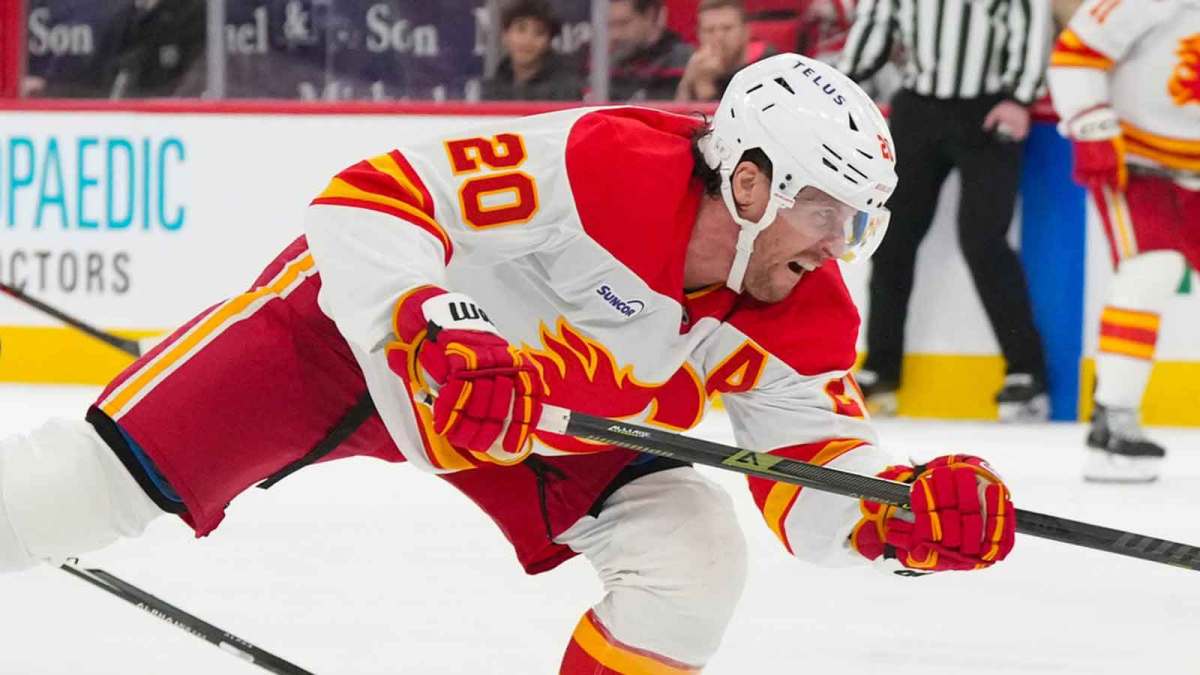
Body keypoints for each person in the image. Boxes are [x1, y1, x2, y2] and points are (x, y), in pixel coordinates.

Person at [0, 54, 1017, 673]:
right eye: (825, 210)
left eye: (857, 221)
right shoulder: (598, 165)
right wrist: (446, 329)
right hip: (351, 345)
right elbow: (369, 199)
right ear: (751, 181)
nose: (838, 243)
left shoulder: (798, 299)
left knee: (695, 554)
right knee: (85, 487)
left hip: (545, 418)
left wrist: (896, 510)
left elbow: (807, 471)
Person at [839, 0, 1054, 420]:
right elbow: (876, 24)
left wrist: (1019, 98)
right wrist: (838, 82)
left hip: (988, 107)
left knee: (983, 240)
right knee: (892, 239)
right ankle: (881, 368)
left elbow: (1031, 24)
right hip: (919, 107)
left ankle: (1026, 372)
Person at [1047, 0, 1200, 482]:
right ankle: (1114, 418)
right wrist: (1092, 126)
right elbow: (1076, 53)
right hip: (1138, 163)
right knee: (1149, 272)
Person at [675, 0, 776, 102]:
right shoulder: (696, 66)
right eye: (709, 30)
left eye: (727, 28)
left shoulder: (768, 67)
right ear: (698, 34)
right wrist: (687, 82)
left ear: (746, 31)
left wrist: (706, 88)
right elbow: (676, 113)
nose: (719, 37)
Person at [482, 0, 583, 101]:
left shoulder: (564, 87)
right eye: (521, 29)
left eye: (539, 32)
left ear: (549, 42)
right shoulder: (495, 84)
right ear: (505, 35)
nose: (527, 41)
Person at [606, 0, 694, 100]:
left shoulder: (682, 63)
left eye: (623, 23)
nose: (615, 34)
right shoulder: (606, 65)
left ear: (649, 16)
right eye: (610, 25)